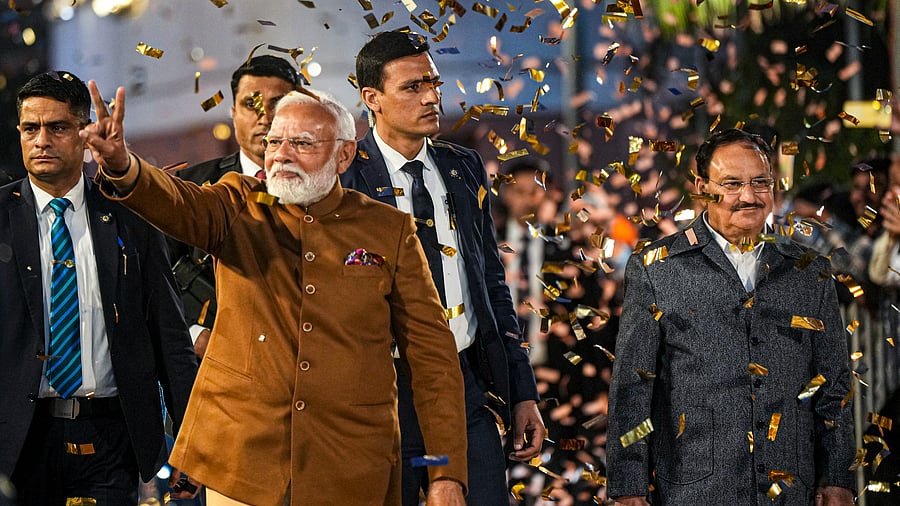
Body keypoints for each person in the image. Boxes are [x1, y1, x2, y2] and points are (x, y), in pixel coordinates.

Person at [80, 80, 469, 505]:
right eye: (274, 141)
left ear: (344, 155)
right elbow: (179, 203)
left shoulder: (389, 230)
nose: (281, 154)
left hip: (350, 467)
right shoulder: (238, 202)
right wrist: (123, 165)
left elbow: (433, 358)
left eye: (301, 143)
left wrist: (445, 472)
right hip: (242, 461)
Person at [341, 30, 545, 505]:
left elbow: (491, 284)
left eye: (434, 82)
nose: (432, 97)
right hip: (379, 396)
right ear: (372, 98)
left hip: (465, 383)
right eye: (413, 87)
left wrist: (521, 392)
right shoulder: (344, 177)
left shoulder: (463, 167)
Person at [607, 129, 855, 505]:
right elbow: (633, 388)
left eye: (760, 182)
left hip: (790, 491)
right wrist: (628, 488)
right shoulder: (656, 268)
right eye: (733, 184)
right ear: (702, 186)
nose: (748, 196)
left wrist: (837, 478)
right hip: (693, 490)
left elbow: (834, 385)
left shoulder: (810, 271)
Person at [0, 71, 198, 504]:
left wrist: (191, 443)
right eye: (30, 128)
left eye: (57, 127)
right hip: (16, 437)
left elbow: (171, 337)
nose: (41, 140)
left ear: (83, 134)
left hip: (111, 438)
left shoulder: (131, 217)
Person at [171, 55, 301, 359]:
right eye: (250, 104)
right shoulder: (191, 185)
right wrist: (196, 335)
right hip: (213, 366)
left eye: (278, 104)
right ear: (233, 113)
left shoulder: (330, 186)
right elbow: (158, 278)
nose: (265, 116)